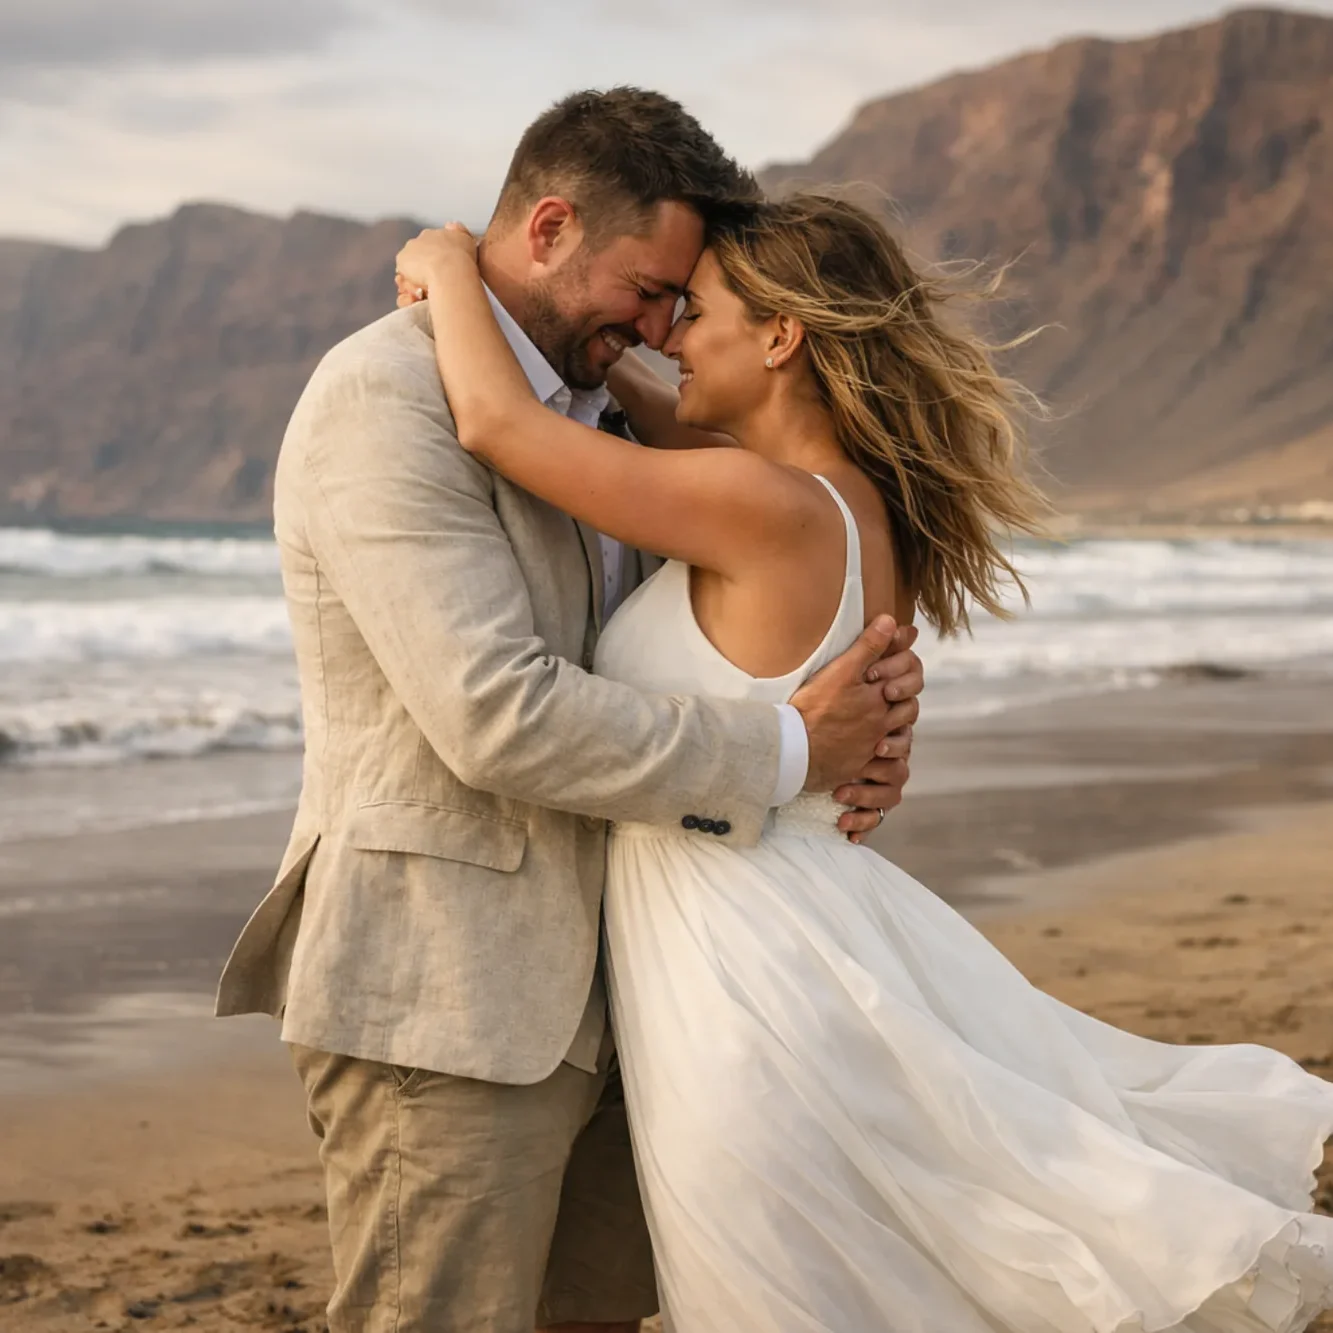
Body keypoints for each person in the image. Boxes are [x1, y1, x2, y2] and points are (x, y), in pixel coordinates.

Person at [393, 191, 1333, 1331]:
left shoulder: (758, 501)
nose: (665, 335)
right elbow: (647, 407)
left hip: (746, 981)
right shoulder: (833, 500)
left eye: (697, 311)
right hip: (786, 935)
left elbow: (502, 426)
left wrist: (448, 264)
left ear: (782, 336)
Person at [216, 90, 924, 1333]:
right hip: (452, 994)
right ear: (549, 228)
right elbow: (495, 712)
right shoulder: (386, 397)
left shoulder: (620, 420)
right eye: (650, 289)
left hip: (645, 990)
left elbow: (721, 636)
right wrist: (796, 746)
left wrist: (861, 700)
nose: (658, 326)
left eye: (680, 302)